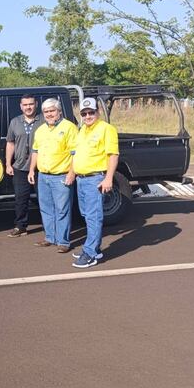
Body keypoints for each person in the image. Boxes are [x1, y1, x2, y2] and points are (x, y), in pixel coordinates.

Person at [68, 98, 119, 268]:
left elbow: (113, 155)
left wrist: (108, 178)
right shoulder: (82, 130)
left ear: (98, 112)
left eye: (91, 112)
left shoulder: (106, 129)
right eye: (84, 113)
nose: (88, 116)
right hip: (82, 179)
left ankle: (90, 254)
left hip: (95, 179)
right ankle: (93, 249)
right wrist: (72, 173)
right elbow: (76, 154)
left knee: (93, 216)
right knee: (86, 215)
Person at [28, 98, 78, 253]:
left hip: (61, 176)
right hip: (43, 176)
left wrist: (72, 173)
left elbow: (75, 153)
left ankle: (63, 241)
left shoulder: (69, 127)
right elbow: (35, 151)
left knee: (62, 209)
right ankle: (50, 237)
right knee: (46, 208)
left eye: (52, 111)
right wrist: (31, 170)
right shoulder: (41, 130)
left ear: (59, 111)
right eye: (46, 112)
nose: (49, 114)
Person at [5, 94, 44, 237]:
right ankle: (20, 226)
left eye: (31, 104)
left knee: (44, 199)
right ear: (21, 106)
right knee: (21, 199)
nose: (28, 107)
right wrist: (8, 163)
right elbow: (10, 143)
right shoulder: (15, 122)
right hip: (20, 167)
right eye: (25, 104)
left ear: (36, 105)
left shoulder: (44, 120)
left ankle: (50, 227)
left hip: (41, 168)